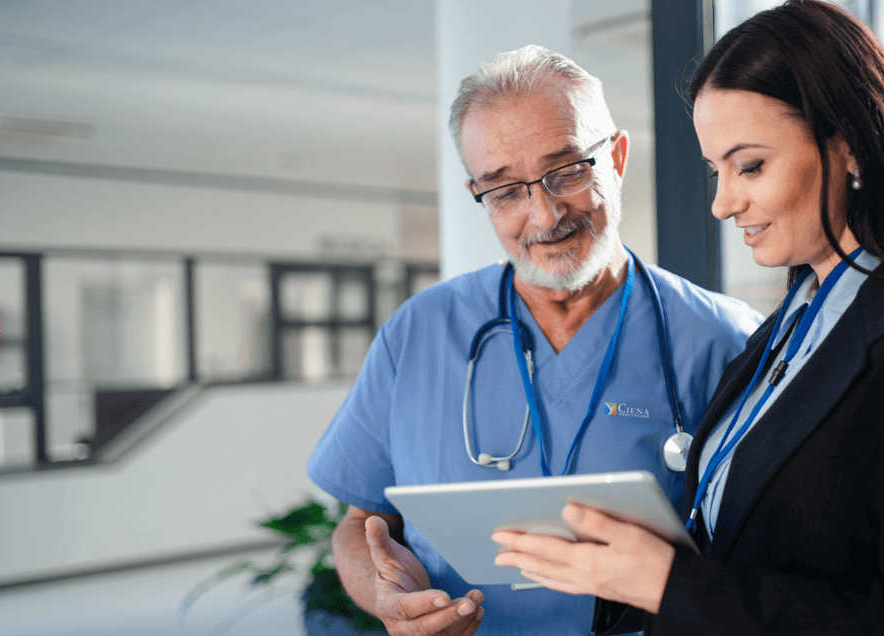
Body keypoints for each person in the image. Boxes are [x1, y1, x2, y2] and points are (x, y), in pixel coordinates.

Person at [490, 3, 884, 634]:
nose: (721, 203)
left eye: (750, 166)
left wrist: (666, 581)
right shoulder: (788, 327)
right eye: (716, 171)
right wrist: (625, 570)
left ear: (851, 146)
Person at [305, 45, 761, 636]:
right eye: (505, 191)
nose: (544, 216)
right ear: (479, 194)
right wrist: (385, 596)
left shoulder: (725, 340)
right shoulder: (418, 333)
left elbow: (767, 552)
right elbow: (362, 521)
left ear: (616, 158)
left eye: (568, 171)